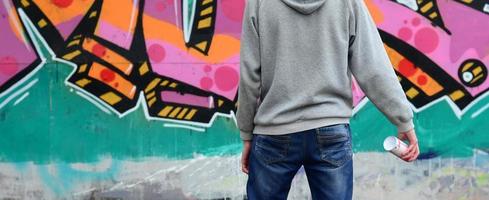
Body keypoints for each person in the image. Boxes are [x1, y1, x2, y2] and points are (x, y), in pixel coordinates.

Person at [236, 0, 420, 199]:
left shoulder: (258, 3)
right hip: (331, 130)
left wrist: (246, 133)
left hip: (274, 131)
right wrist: (403, 120)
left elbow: (249, 75)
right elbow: (374, 67)